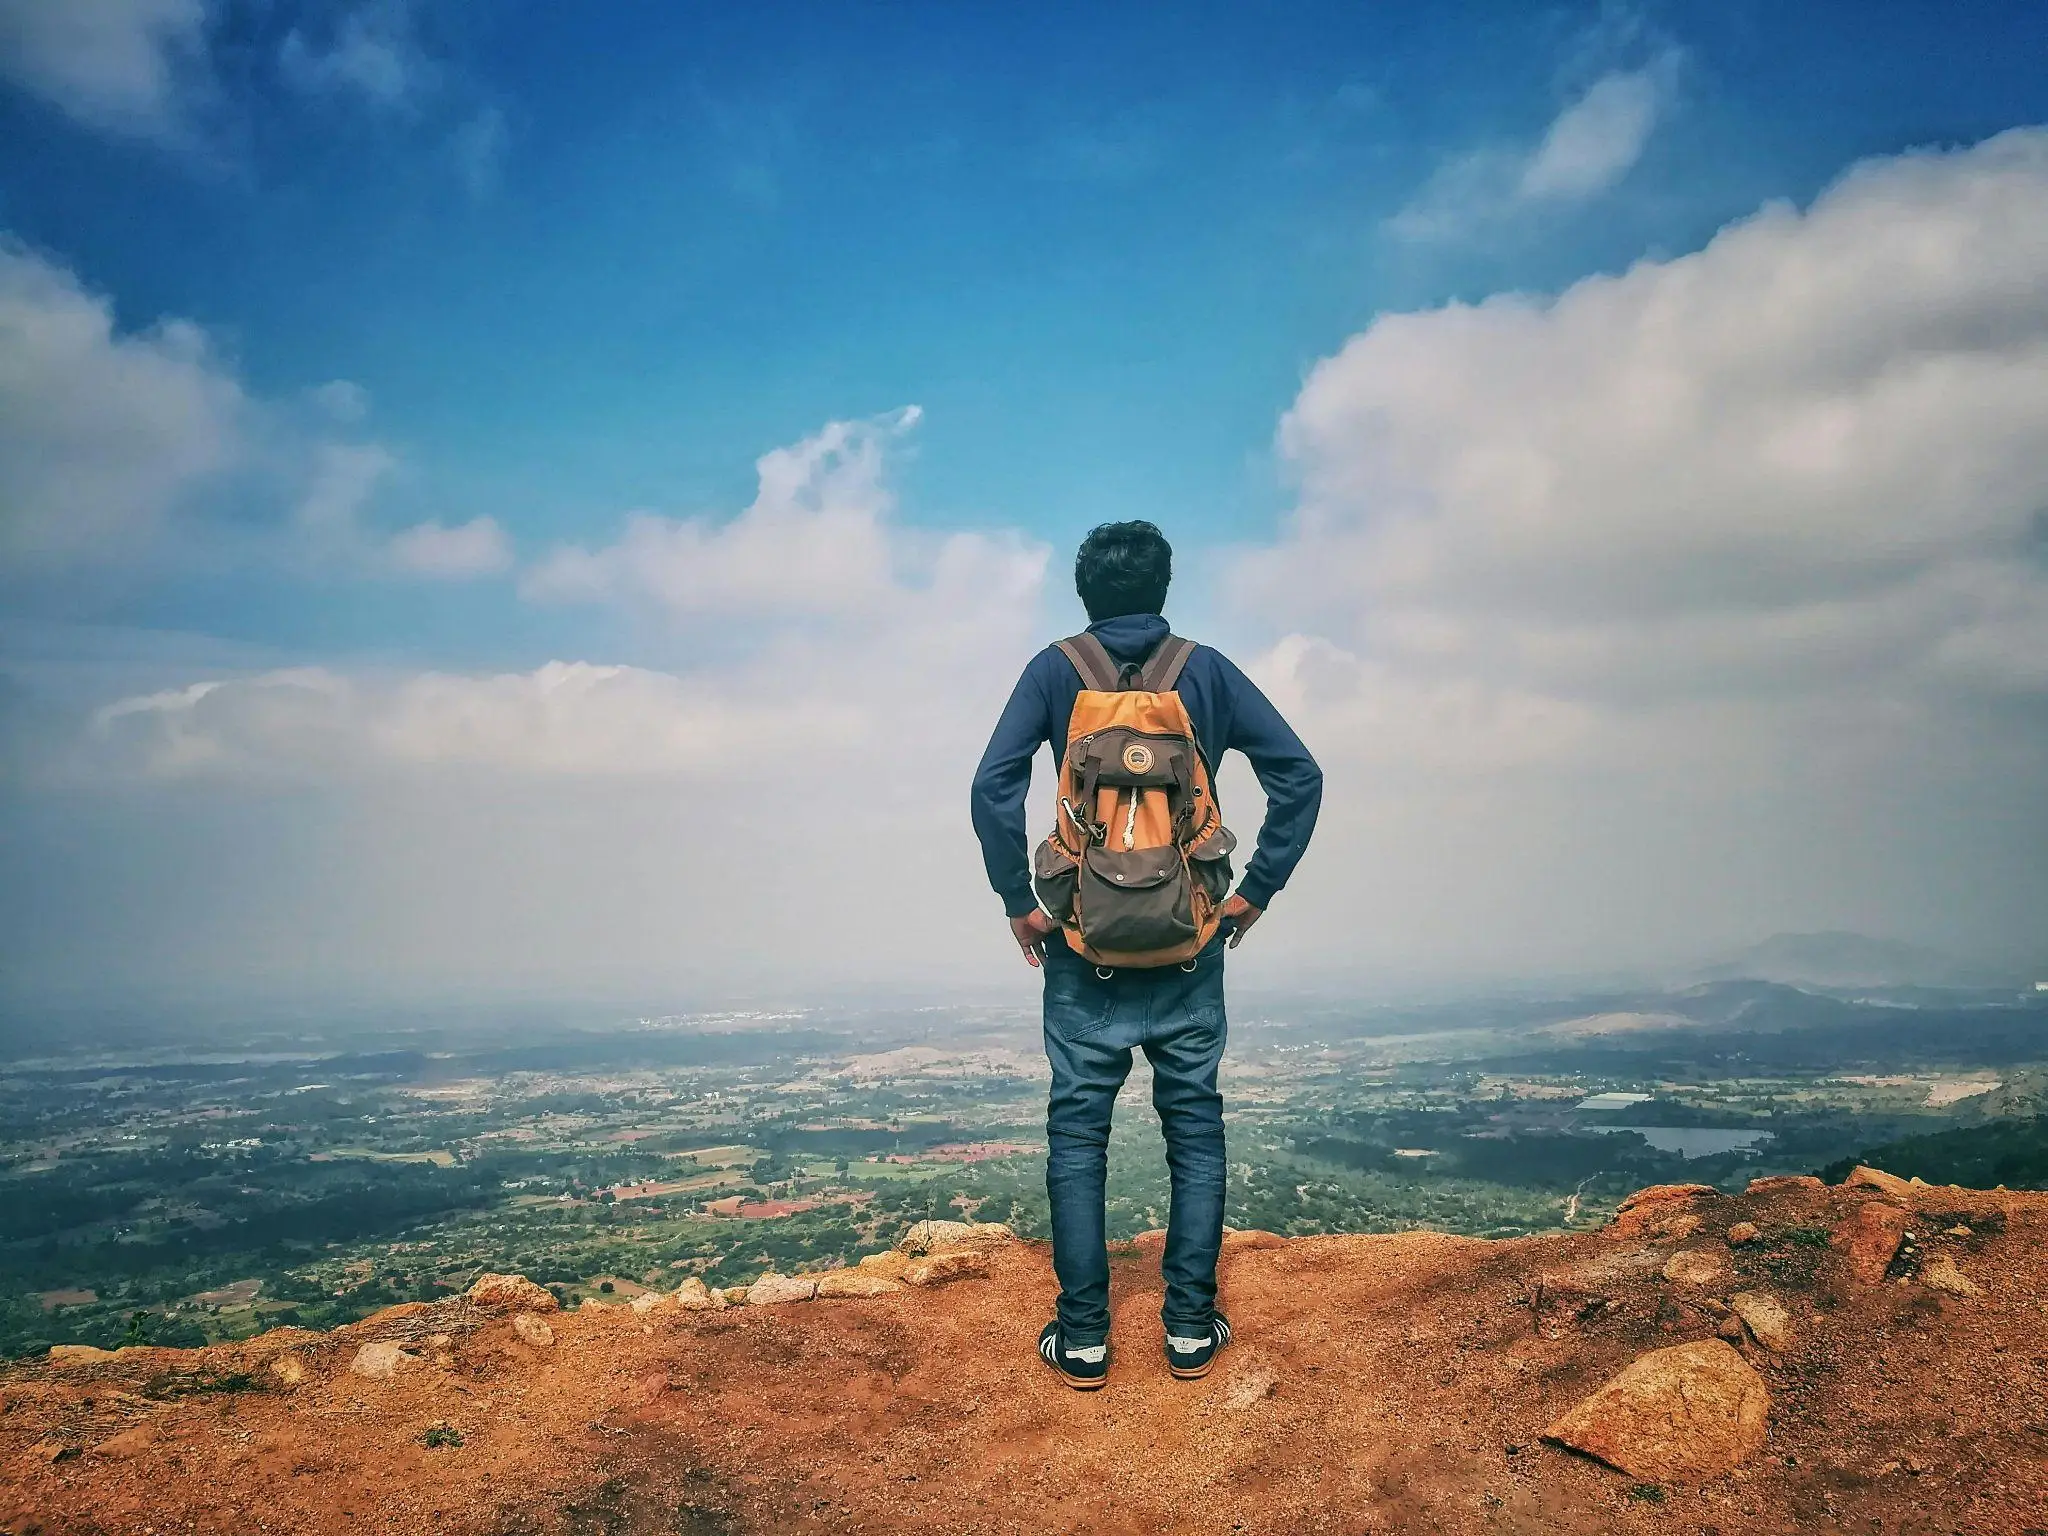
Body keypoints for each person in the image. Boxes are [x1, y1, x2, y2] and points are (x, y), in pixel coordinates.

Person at [970, 520, 1322, 1389]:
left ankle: (1084, 1338)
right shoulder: (1205, 670)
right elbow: (1300, 776)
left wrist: (1019, 901)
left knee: (1078, 1135)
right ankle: (1191, 1332)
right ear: (1164, 588)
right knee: (1194, 1129)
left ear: (1085, 592)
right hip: (1190, 944)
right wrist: (1254, 892)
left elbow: (992, 786)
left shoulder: (1056, 670)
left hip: (1083, 948)